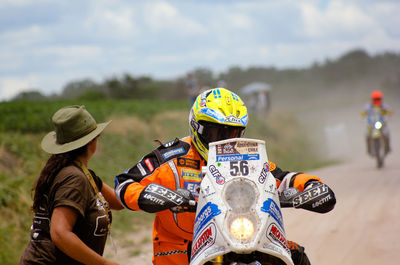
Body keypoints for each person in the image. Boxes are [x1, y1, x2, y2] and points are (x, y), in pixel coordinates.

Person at [114, 88, 335, 265]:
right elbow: (124, 183)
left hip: (237, 236)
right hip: (180, 247)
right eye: (216, 133)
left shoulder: (246, 156)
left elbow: (281, 177)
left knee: (293, 255)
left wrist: (311, 186)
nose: (224, 140)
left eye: (232, 133)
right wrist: (152, 195)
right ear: (197, 128)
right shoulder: (171, 158)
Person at [19, 105, 122, 265]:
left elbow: (119, 201)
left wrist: (150, 181)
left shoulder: (82, 174)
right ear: (91, 142)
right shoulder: (74, 178)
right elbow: (60, 233)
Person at [361, 90, 392, 155]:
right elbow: (363, 114)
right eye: (375, 99)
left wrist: (388, 116)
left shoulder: (384, 106)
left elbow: (389, 113)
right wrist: (363, 117)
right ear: (372, 99)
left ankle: (388, 148)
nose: (377, 100)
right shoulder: (368, 107)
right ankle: (369, 150)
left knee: (386, 133)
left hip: (381, 124)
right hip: (371, 125)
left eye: (378, 99)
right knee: (367, 135)